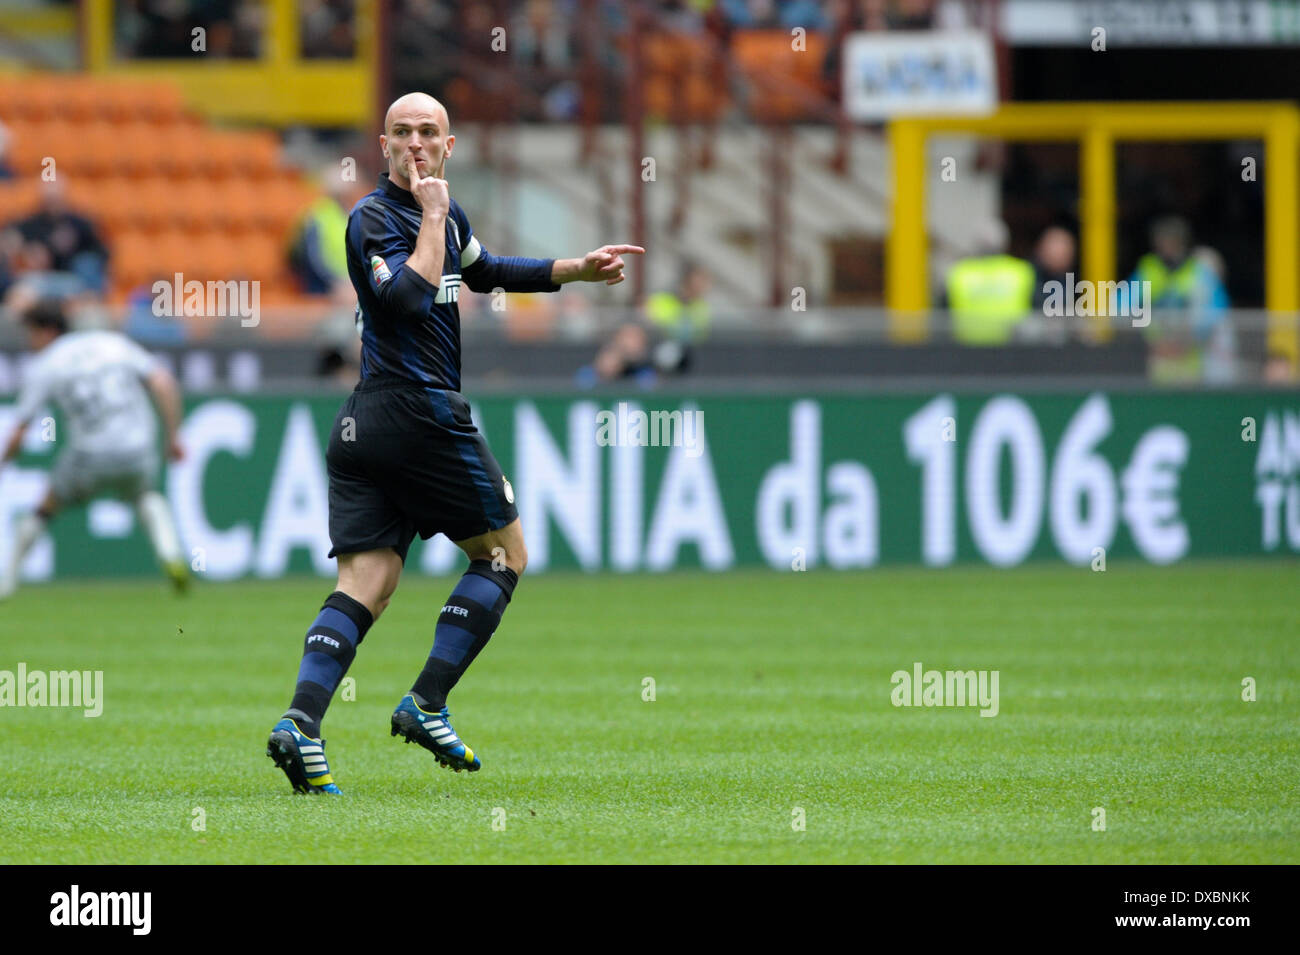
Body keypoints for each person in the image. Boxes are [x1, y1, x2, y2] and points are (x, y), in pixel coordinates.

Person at [266, 92, 644, 794]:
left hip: (368, 427)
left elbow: (485, 271)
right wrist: (433, 214)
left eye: (428, 133)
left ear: (450, 145)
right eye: (402, 132)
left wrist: (573, 269)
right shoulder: (373, 219)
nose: (416, 143)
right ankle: (427, 700)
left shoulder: (449, 215)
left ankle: (301, 723)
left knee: (367, 584)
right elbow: (407, 298)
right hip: (418, 413)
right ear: (383, 146)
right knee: (506, 553)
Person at [0, 299, 189, 599]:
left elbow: (20, 429)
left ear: (48, 331)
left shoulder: (46, 364)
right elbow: (164, 383)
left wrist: (3, 463)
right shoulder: (115, 343)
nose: (29, 341)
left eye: (31, 333)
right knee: (144, 494)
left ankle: (7, 581)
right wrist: (174, 436)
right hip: (137, 449)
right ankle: (170, 553)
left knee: (44, 509)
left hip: (89, 455)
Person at [942, 220, 1035, 346]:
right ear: (1005, 243)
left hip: (967, 350)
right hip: (1011, 348)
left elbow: (943, 311)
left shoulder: (960, 273)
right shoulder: (1021, 271)